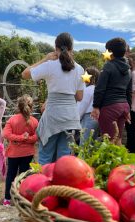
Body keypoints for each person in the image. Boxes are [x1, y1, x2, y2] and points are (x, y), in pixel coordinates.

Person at [22, 32, 85, 165]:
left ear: (55, 48)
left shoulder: (50, 65)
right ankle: (59, 186)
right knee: (63, 159)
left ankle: (45, 185)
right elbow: (79, 97)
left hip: (53, 116)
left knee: (45, 157)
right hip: (70, 118)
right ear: (71, 49)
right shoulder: (80, 69)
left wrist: (45, 59)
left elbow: (25, 74)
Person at [91, 38, 132, 145]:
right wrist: (128, 109)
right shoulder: (128, 70)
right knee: (117, 138)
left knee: (108, 140)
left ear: (110, 52)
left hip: (110, 107)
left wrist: (96, 106)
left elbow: (100, 88)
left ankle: (112, 162)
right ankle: (121, 162)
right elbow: (129, 91)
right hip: (123, 106)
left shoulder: (108, 66)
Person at [2, 94, 39, 206]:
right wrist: (26, 138)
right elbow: (37, 137)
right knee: (24, 176)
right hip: (28, 153)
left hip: (13, 154)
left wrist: (19, 139)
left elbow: (6, 134)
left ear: (18, 106)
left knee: (11, 176)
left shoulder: (12, 120)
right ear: (31, 107)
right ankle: (22, 199)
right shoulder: (34, 121)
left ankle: (7, 199)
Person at [77, 67, 100, 145]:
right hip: (96, 118)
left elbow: (82, 106)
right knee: (92, 142)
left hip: (88, 117)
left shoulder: (88, 90)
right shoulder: (97, 89)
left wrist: (77, 118)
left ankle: (82, 157)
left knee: (84, 143)